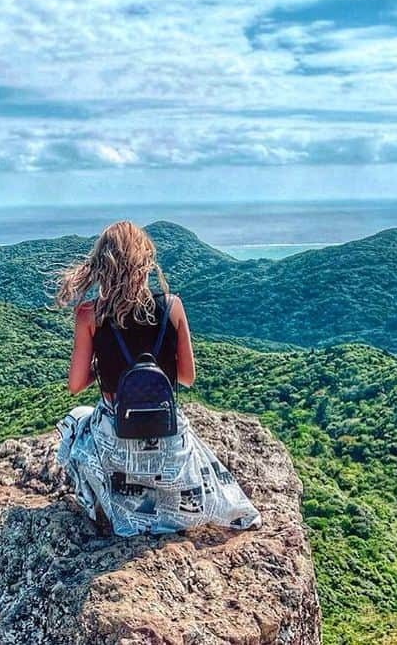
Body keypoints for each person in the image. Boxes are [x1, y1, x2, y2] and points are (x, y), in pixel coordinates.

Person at [52, 220, 261, 537]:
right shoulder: (172, 306)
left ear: (102, 266)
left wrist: (103, 365)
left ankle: (108, 506)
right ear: (145, 262)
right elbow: (187, 377)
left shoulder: (88, 315)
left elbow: (75, 385)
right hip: (167, 440)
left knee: (73, 422)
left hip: (116, 440)